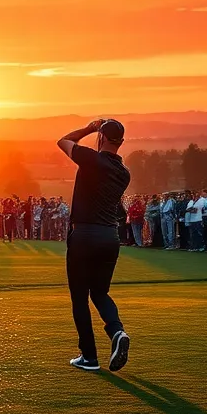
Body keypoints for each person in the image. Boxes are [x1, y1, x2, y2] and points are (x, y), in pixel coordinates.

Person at [57, 118, 131, 373]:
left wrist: (89, 128)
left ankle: (89, 356)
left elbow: (63, 141)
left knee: (80, 298)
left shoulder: (91, 159)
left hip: (84, 235)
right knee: (100, 293)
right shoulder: (124, 173)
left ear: (101, 137)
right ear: (121, 142)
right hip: (110, 238)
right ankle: (116, 331)